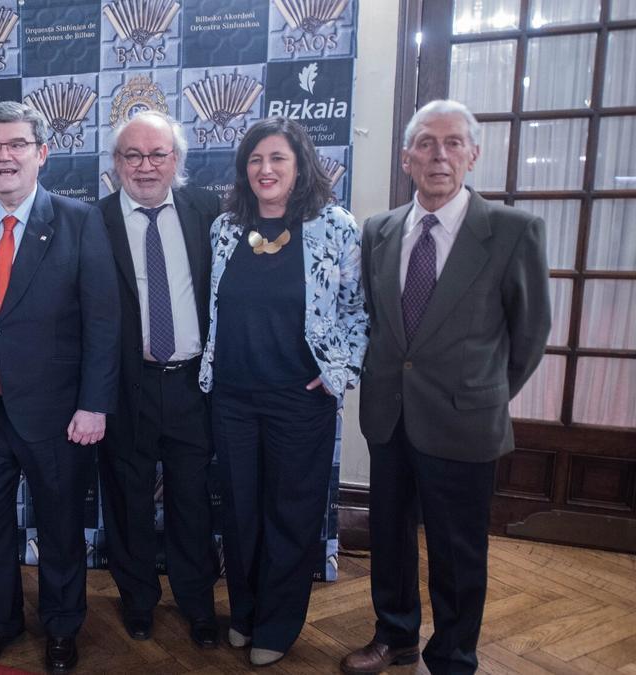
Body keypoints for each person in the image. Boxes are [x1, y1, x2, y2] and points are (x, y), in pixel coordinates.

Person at [340, 100, 550, 675]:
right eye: (426, 143)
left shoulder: (511, 231)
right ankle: (396, 636)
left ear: (473, 155)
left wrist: (483, 392)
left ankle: (454, 655)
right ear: (407, 158)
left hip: (464, 421)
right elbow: (378, 323)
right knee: (389, 540)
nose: (439, 155)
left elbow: (530, 332)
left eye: (453, 143)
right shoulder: (379, 231)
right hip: (389, 417)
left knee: (458, 553)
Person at [0, 101, 120, 673]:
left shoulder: (79, 221)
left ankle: (61, 628)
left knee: (60, 529)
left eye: (16, 145)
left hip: (58, 416)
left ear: (42, 153)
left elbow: (102, 322)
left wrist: (93, 405)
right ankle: (0, 624)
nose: (4, 156)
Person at [198, 117, 368, 667]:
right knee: (240, 515)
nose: (265, 169)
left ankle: (277, 623)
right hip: (231, 398)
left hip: (301, 399)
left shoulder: (336, 226)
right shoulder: (225, 228)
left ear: (300, 166)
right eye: (255, 160)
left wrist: (339, 370)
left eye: (277, 159)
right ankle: (243, 614)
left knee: (289, 514)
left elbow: (358, 311)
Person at [97, 111, 220, 646]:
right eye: (133, 155)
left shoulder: (208, 212)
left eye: (157, 155)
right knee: (128, 502)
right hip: (128, 387)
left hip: (193, 384)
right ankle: (138, 600)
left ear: (177, 161)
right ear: (115, 164)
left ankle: (197, 604)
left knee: (193, 500)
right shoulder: (92, 220)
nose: (145, 167)